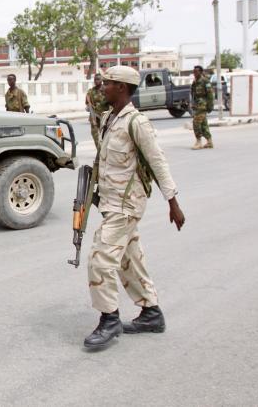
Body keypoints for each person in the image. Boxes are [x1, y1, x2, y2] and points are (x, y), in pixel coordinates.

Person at [83, 65, 185, 350]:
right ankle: (151, 313)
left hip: (126, 206)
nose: (102, 87)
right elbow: (106, 161)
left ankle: (109, 319)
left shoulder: (136, 122)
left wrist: (173, 203)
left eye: (108, 83)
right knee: (129, 259)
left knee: (100, 258)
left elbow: (157, 161)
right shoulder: (108, 118)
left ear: (123, 88)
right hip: (110, 201)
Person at [190, 65, 214, 149]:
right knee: (203, 124)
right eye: (194, 72)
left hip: (203, 106)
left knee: (196, 122)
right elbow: (193, 95)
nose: (194, 73)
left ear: (201, 72)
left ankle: (198, 142)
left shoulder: (205, 81)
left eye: (196, 71)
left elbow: (210, 95)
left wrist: (210, 106)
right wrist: (192, 104)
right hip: (197, 105)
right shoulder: (195, 82)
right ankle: (209, 142)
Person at [85, 73, 107, 149]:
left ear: (102, 80)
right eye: (95, 79)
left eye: (98, 79)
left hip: (105, 117)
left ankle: (104, 150)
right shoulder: (91, 91)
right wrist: (89, 107)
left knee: (105, 135)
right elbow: (88, 104)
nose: (96, 81)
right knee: (95, 135)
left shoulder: (106, 90)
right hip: (94, 117)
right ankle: (99, 151)